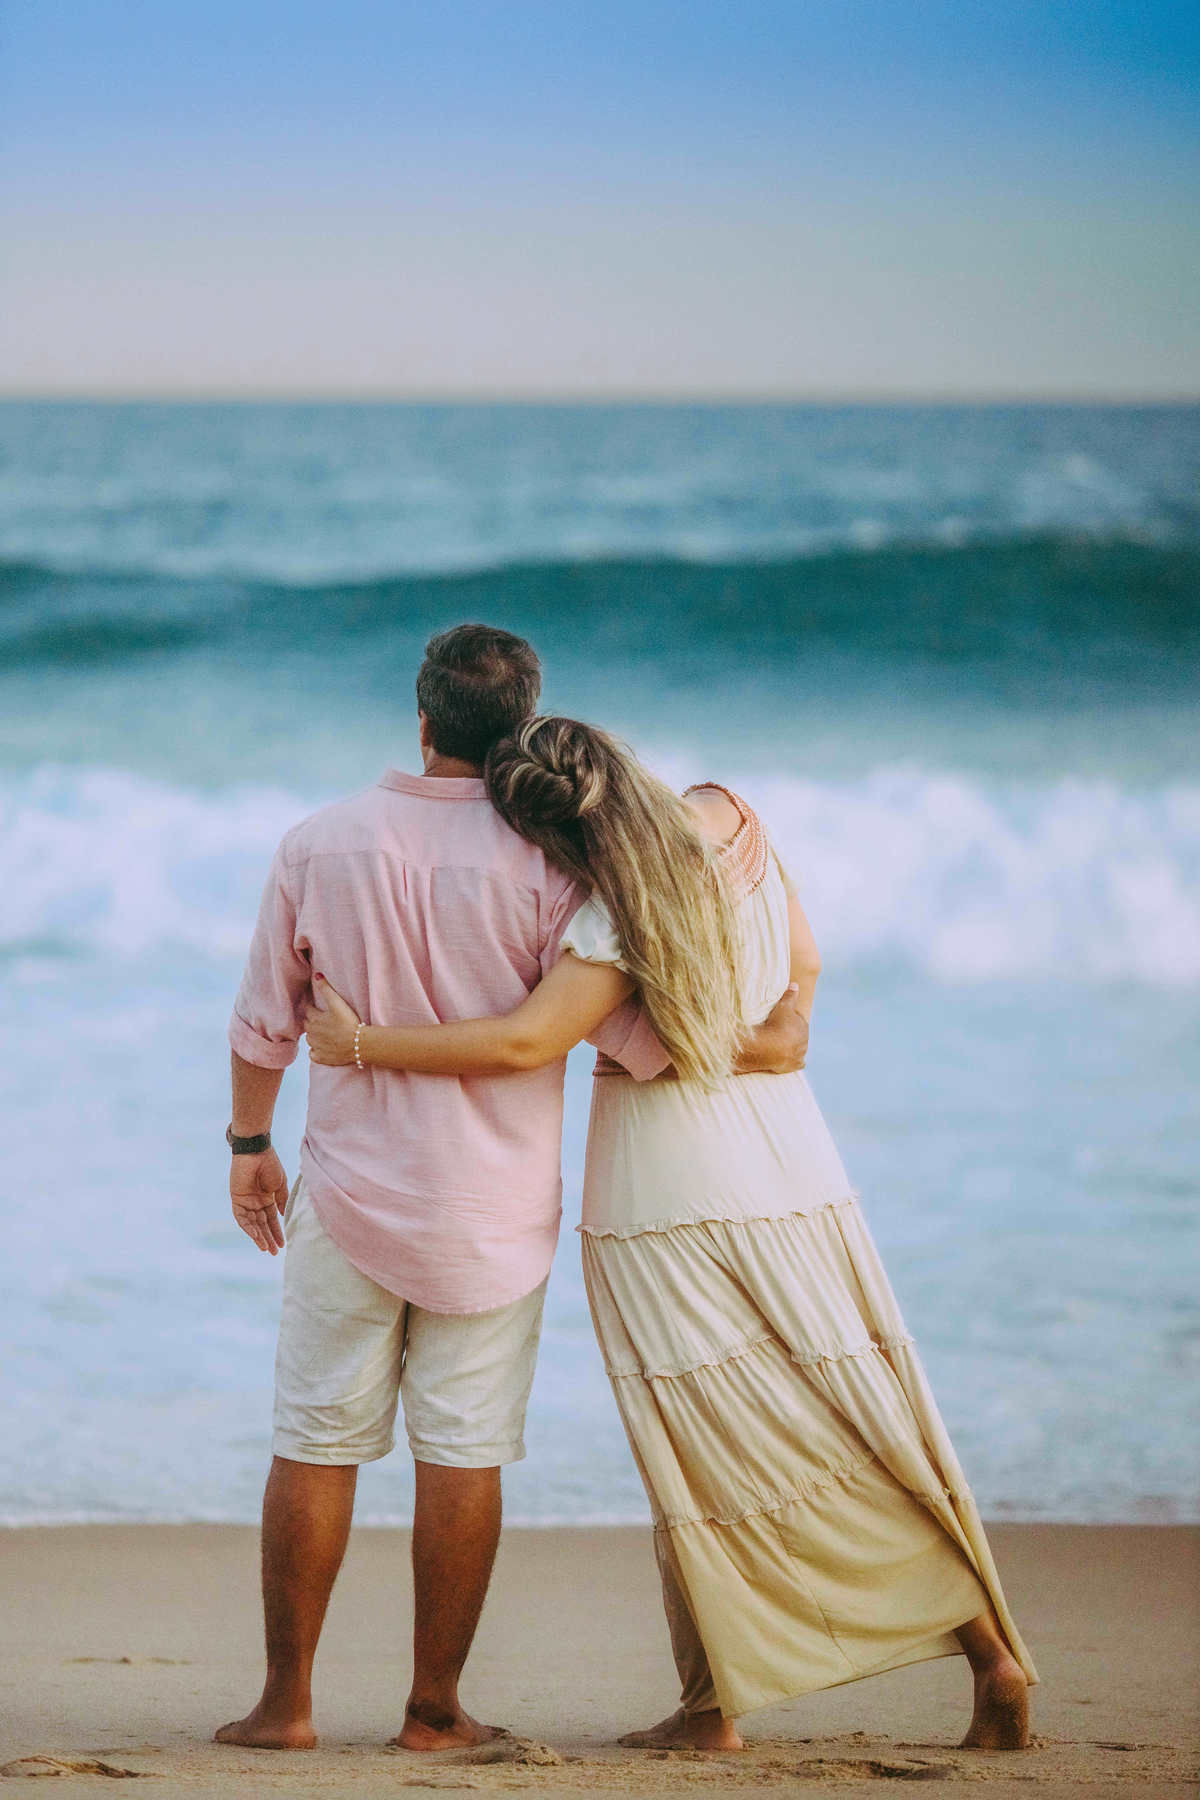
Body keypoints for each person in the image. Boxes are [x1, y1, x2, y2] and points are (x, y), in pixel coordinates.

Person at [303, 715, 1038, 1755]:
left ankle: (741, 1704)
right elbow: (804, 973)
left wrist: (359, 1042)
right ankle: (735, 1699)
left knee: (699, 1438)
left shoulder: (616, 910)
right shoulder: (735, 820)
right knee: (843, 1409)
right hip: (787, 1157)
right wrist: (769, 1039)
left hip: (669, 1178)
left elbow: (524, 1041)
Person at [219, 631, 805, 1754]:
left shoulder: (318, 842)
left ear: (423, 719)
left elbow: (261, 1021)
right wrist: (769, 1038)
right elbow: (629, 1040)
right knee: (465, 1449)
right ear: (522, 725)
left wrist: (250, 1142)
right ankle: (434, 1711)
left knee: (315, 1439)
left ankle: (284, 1706)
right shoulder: (557, 865)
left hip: (348, 1195)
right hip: (491, 1214)